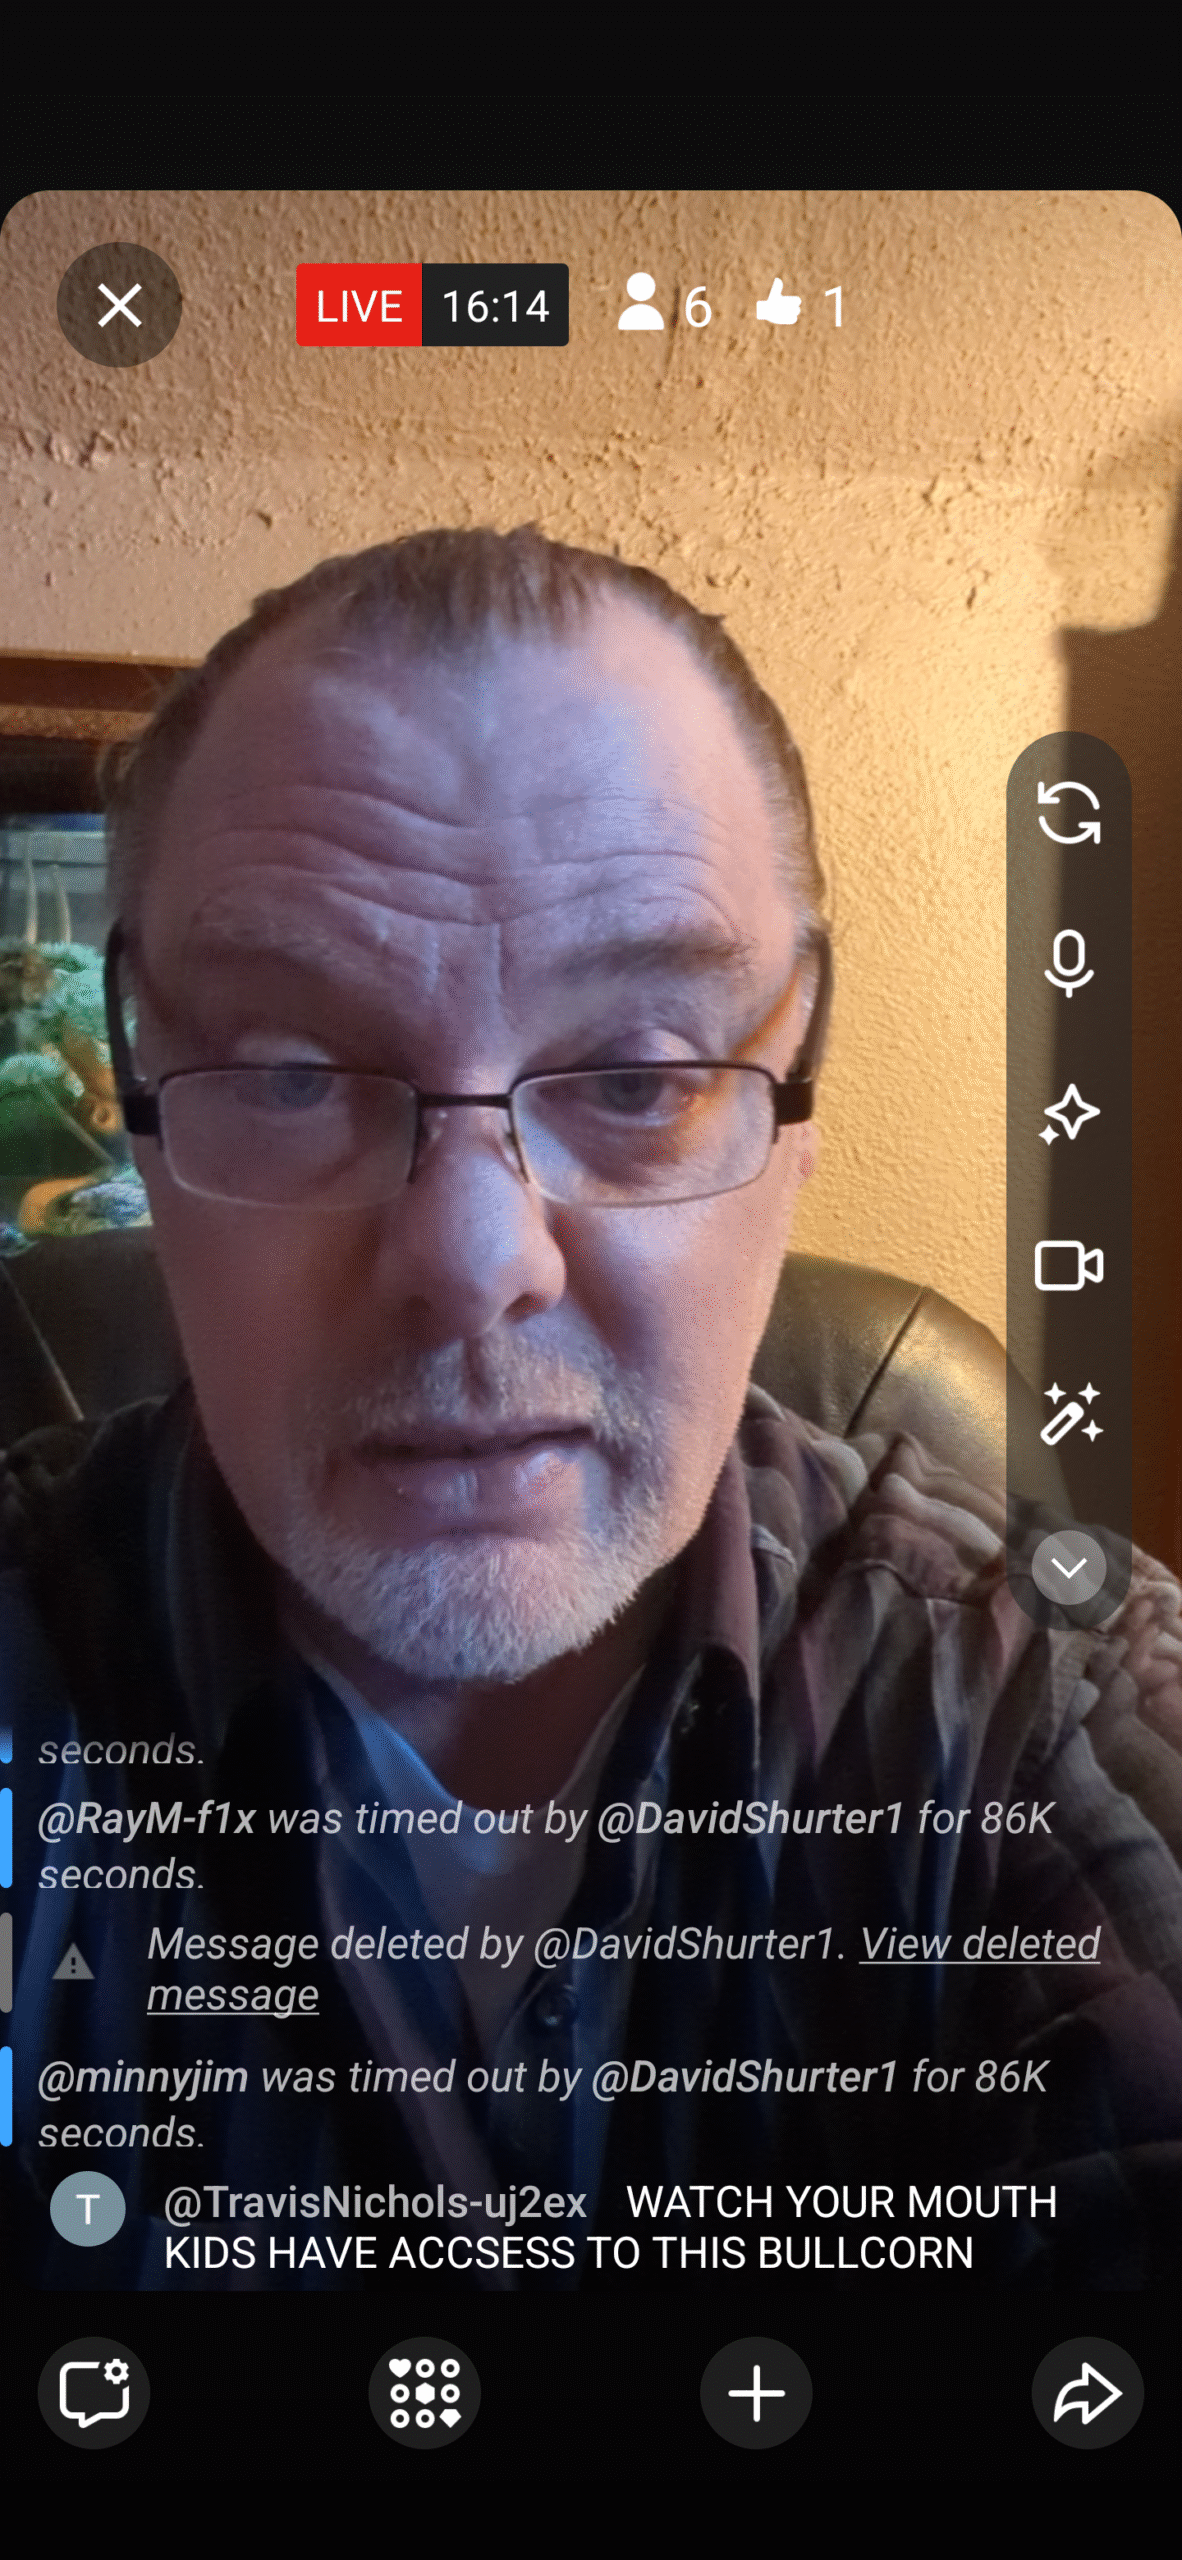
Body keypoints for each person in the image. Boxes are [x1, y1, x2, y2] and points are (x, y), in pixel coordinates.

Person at [6, 525, 1182, 2293]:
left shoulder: (1048, 1716)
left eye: (636, 1075)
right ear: (143, 1108)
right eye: (291, 1074)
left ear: (791, 1113)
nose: (473, 1260)